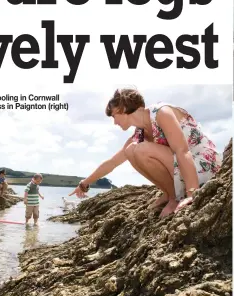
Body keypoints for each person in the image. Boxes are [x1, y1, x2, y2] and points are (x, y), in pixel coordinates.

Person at [71, 88, 222, 218]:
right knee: (131, 151)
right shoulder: (140, 134)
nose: (114, 122)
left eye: (114, 116)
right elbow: (112, 163)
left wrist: (192, 194)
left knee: (141, 149)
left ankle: (175, 198)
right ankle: (170, 194)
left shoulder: (162, 113)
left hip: (203, 165)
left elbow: (182, 151)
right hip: (186, 168)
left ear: (122, 109)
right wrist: (84, 184)